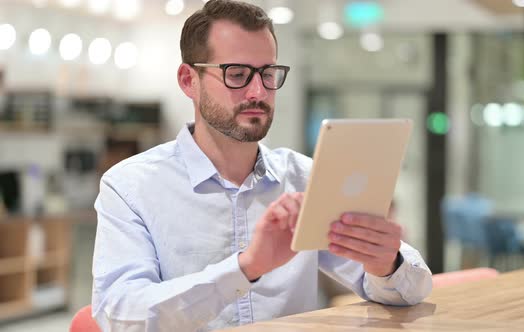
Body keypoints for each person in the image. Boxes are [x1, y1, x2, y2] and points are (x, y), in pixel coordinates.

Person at [91, 0, 432, 331]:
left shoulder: (306, 178)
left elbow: (412, 290)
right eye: (237, 74)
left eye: (268, 74)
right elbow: (121, 317)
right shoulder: (130, 186)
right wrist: (246, 267)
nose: (258, 91)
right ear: (188, 81)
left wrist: (386, 264)